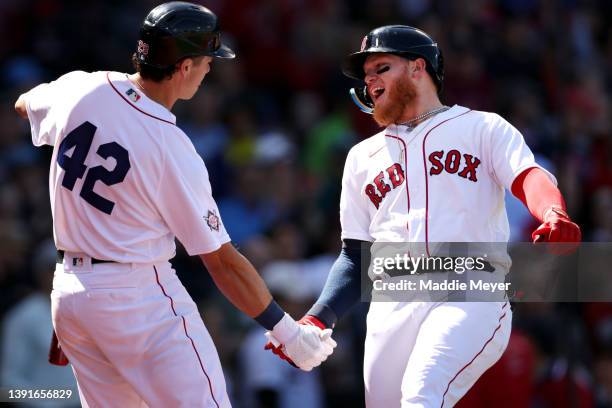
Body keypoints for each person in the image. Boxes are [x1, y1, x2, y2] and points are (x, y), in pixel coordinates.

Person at [13, 2, 335, 407]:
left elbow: (24, 105)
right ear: (184, 67)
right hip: (135, 297)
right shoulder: (170, 147)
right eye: (206, 61)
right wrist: (286, 332)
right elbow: (221, 262)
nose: (210, 70)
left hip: (71, 296)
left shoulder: (83, 87)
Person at [267, 25, 581, 407]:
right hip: (390, 303)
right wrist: (318, 318)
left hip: (468, 290)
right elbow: (355, 257)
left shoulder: (481, 127)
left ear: (418, 68)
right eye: (366, 74)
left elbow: (527, 176)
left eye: (381, 67)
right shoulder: (361, 158)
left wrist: (552, 211)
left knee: (421, 394)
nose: (369, 80)